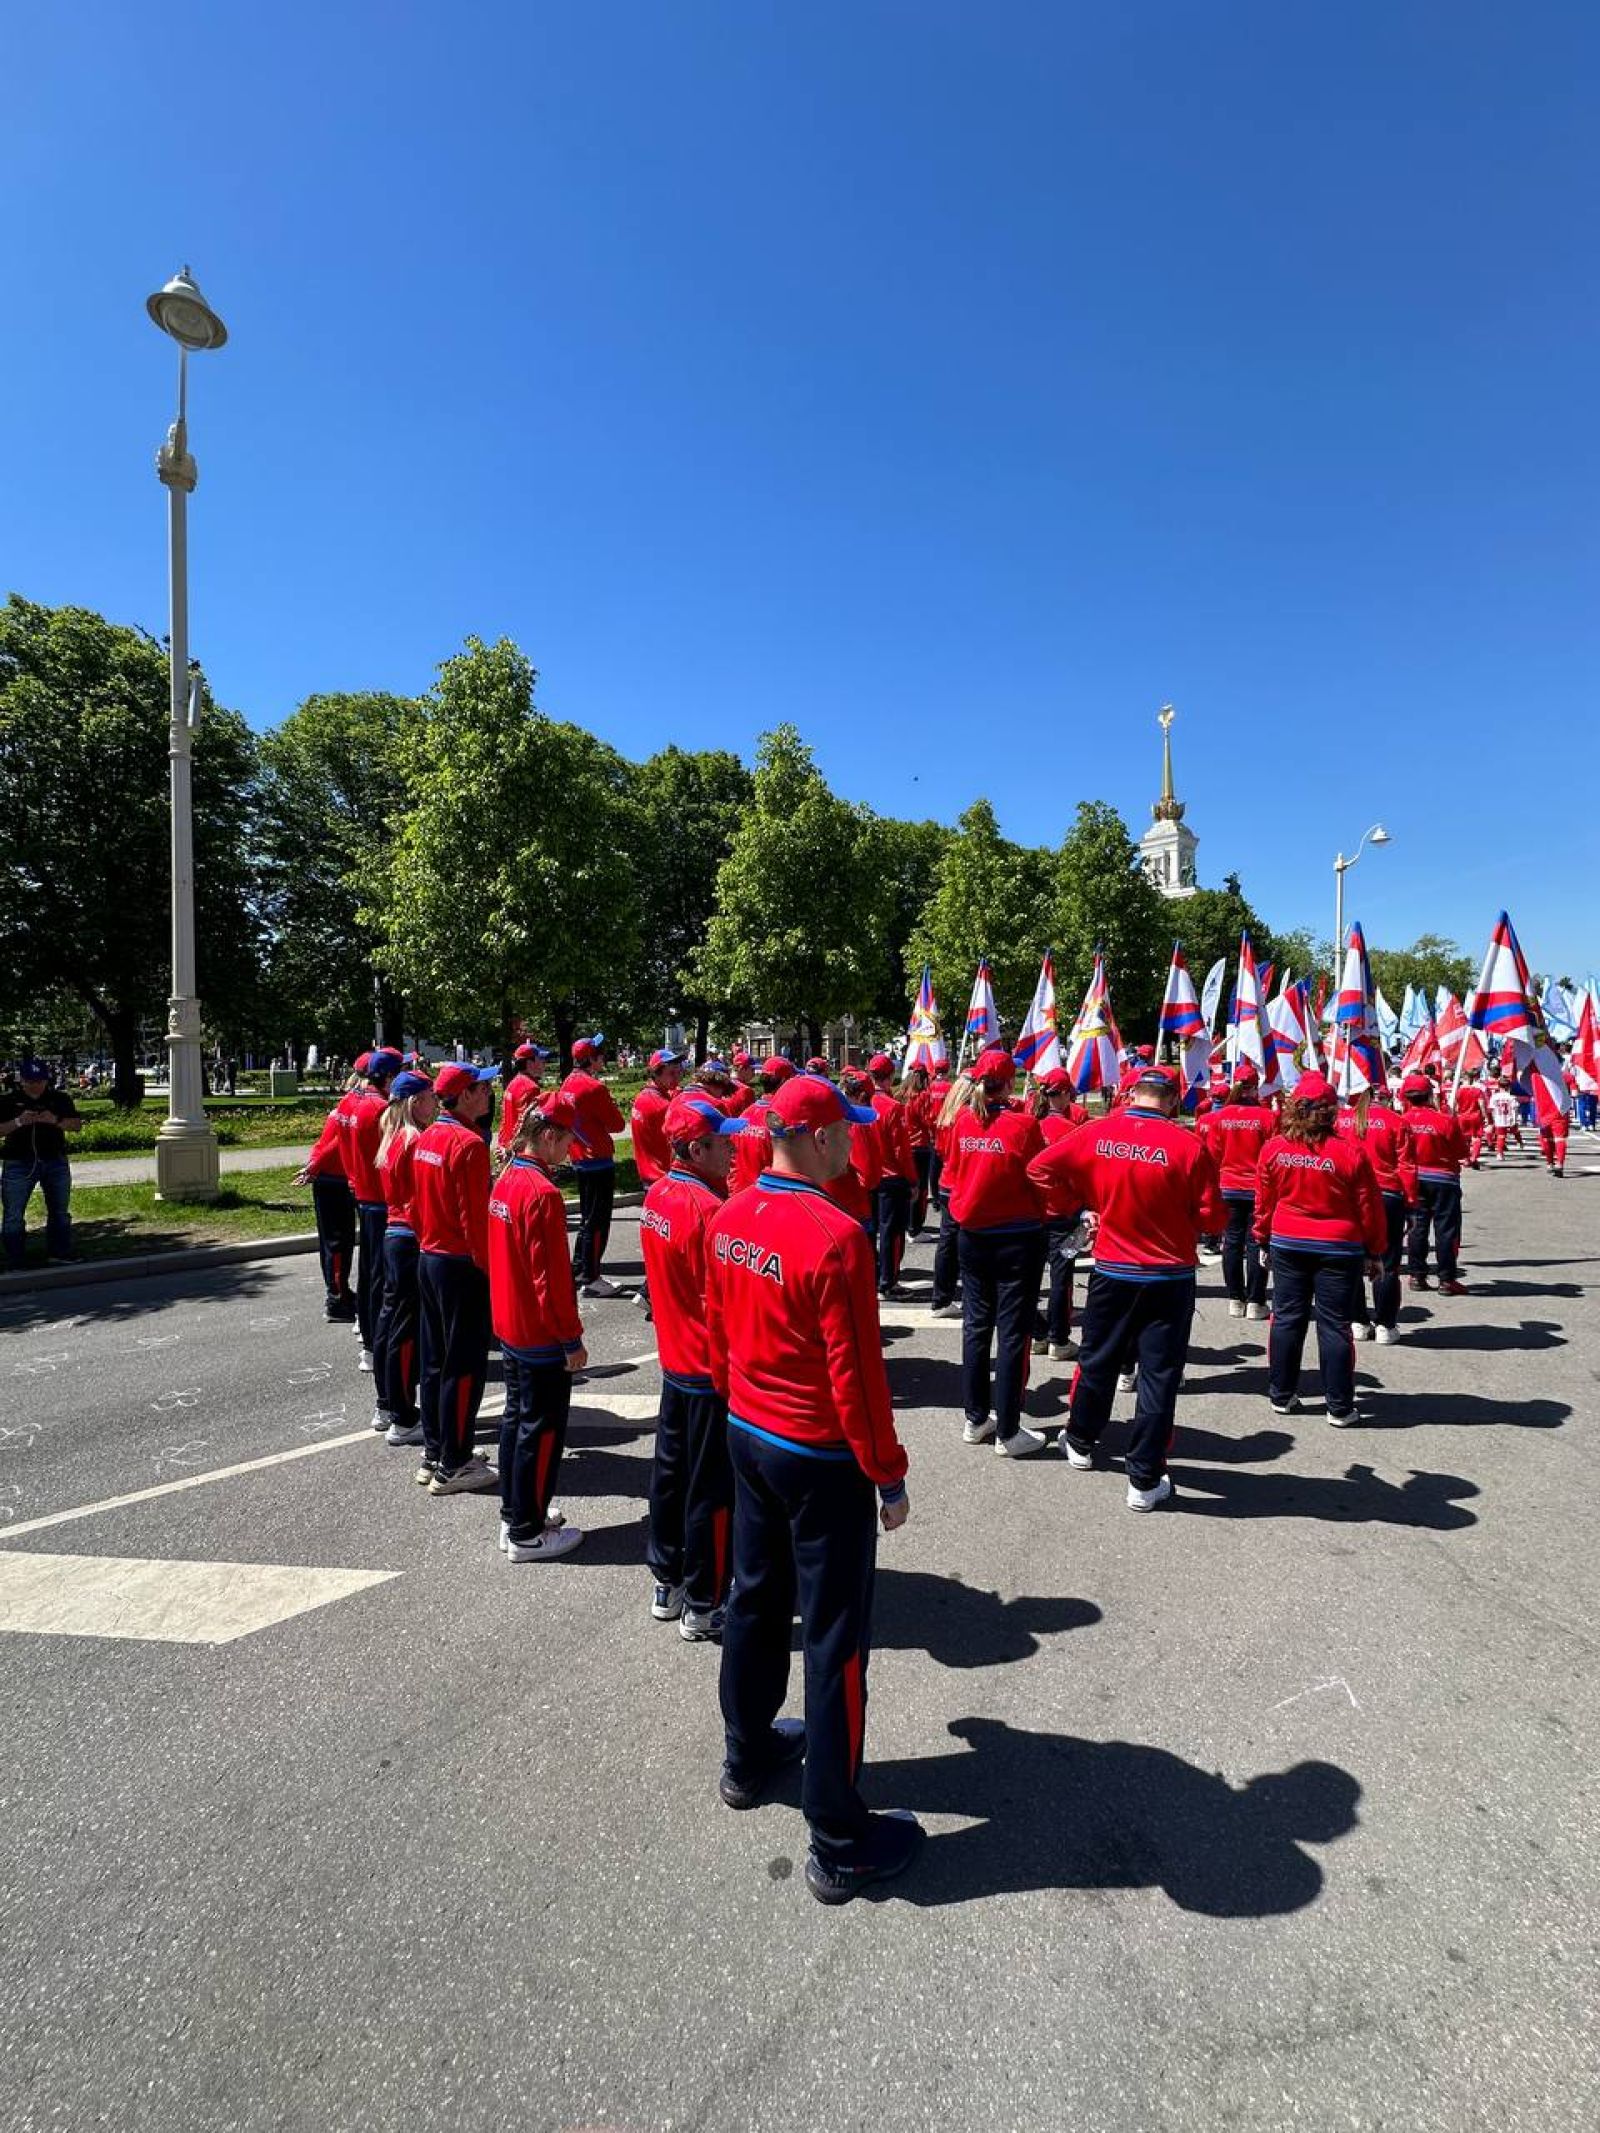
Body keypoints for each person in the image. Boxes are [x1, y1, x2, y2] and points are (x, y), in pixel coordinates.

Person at [705, 1070, 921, 1905]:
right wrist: (887, 1473)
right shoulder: (837, 1235)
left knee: (755, 1597)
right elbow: (858, 1376)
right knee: (834, 1639)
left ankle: (746, 1751)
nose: (854, 1143)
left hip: (749, 1428)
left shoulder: (729, 1214)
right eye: (848, 1131)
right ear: (822, 1137)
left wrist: (736, 1404)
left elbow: (719, 1330)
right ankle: (839, 1838)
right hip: (816, 1451)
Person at [1028, 1064, 1220, 1509]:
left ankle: (1080, 1440)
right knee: (1158, 1376)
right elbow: (1213, 1218)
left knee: (1098, 1359)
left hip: (1114, 1270)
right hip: (1168, 1277)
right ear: (1173, 1100)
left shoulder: (1098, 1132)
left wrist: (1081, 1206)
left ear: (1133, 1093)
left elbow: (1040, 1168)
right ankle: (1144, 1479)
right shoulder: (1189, 1145)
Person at [641, 1091, 746, 1639]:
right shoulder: (710, 1210)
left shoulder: (658, 1194)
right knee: (712, 1489)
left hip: (676, 1360)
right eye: (723, 1142)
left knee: (670, 1475)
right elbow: (721, 1303)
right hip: (708, 1369)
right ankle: (706, 1600)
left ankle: (669, 1580)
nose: (733, 1151)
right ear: (697, 1148)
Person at [487, 1091, 590, 1562]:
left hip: (511, 1324)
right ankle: (526, 1531)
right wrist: (571, 1339)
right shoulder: (542, 1194)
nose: (570, 1149)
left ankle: (516, 1514)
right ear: (548, 1136)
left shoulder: (508, 1177)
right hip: (538, 1332)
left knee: (517, 1424)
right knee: (542, 1432)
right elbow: (550, 1277)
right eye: (568, 1140)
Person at [1253, 1072, 1386, 1426]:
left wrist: (1262, 1238)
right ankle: (1339, 1406)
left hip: (1288, 1242)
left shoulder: (1274, 1149)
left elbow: (1263, 1202)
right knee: (1334, 1325)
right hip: (1338, 1247)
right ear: (1331, 1112)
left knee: (1286, 1318)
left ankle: (1281, 1394)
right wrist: (1375, 1251)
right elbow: (1369, 1208)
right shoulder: (1350, 1152)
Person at [944, 1048, 1048, 1457]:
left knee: (976, 1327)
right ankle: (1008, 1430)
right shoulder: (1024, 1125)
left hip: (973, 1235)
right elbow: (1039, 1179)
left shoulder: (962, 1120)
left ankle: (975, 1419)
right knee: (1012, 1333)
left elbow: (954, 1174)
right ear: (1008, 1084)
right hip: (1017, 1238)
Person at [413, 1061, 500, 1494]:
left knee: (435, 1362)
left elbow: (416, 1202)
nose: (488, 1094)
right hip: (461, 1262)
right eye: (482, 1088)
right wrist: (491, 1271)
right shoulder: (469, 1143)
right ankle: (455, 1460)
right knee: (464, 1366)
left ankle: (437, 1450)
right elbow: (475, 1221)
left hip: (430, 1256)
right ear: (464, 1095)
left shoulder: (428, 1135)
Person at [370, 1070, 438, 1448]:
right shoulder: (414, 1140)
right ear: (415, 1102)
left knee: (392, 1323)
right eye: (431, 1096)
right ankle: (404, 1415)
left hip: (395, 1236)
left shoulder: (392, 1136)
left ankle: (389, 1404)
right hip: (410, 1237)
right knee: (407, 1331)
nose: (436, 1103)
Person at [332, 1047, 402, 1371]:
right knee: (380, 1276)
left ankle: (367, 1331)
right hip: (379, 1198)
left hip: (364, 1193)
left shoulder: (356, 1103)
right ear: (389, 1076)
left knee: (369, 1270)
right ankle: (375, 1342)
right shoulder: (381, 1109)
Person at [1334, 1085, 1417, 1345]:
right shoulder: (1396, 1122)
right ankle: (1385, 1325)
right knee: (1388, 1262)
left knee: (1351, 1259)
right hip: (1387, 1194)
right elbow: (1406, 1166)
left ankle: (1358, 1321)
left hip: (1349, 1195)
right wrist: (1411, 1204)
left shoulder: (1341, 1120)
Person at [1199, 1065, 1276, 1323]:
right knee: (1256, 1242)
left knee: (1231, 1242)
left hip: (1228, 1186)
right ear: (1255, 1088)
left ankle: (1235, 1298)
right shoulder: (1267, 1118)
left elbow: (1212, 1156)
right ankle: (1255, 1300)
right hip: (1258, 1188)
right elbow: (1273, 1155)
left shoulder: (1219, 1118)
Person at [559, 1035, 629, 1297]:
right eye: (601, 1053)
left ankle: (580, 1269)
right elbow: (617, 1124)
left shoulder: (568, 1082)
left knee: (588, 1219)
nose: (604, 1057)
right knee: (597, 1222)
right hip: (597, 1159)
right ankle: (591, 1278)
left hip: (579, 1156)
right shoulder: (594, 1087)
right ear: (591, 1058)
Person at [0, 1057, 82, 1268]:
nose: (35, 1085)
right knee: (13, 1214)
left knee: (59, 1210)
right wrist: (19, 1121)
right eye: (30, 1081)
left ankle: (59, 1252)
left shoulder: (59, 1098)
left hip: (54, 1161)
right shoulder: (8, 1101)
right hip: (18, 1163)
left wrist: (55, 1120)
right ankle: (15, 1259)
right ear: (21, 1080)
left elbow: (76, 1125)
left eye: (39, 1081)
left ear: (46, 1080)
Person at [1032, 1067, 1088, 1360]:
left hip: (1033, 1215)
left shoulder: (1030, 1126)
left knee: (1028, 1278)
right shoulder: (1073, 1131)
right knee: (1062, 1279)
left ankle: (1038, 1333)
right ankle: (1058, 1339)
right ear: (1065, 1094)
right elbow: (1082, 1175)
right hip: (1067, 1216)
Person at [297, 1068, 361, 1321]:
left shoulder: (344, 1106)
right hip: (335, 1179)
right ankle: (336, 1298)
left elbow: (323, 1143)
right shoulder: (353, 1108)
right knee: (338, 1243)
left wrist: (314, 1164)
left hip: (330, 1176)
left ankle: (339, 1291)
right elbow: (336, 1144)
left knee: (336, 1242)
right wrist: (314, 1166)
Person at [1399, 1072, 1468, 1294]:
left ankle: (1416, 1276)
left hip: (1414, 1179)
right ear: (1430, 1095)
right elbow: (1461, 1152)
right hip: (1444, 1180)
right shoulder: (1445, 1120)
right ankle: (1446, 1279)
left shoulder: (1402, 1121)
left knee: (1417, 1228)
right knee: (1446, 1230)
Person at [866, 1052, 917, 1297]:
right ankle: (888, 1282)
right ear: (890, 1076)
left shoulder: (861, 1103)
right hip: (891, 1177)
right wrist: (913, 1180)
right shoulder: (893, 1107)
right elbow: (901, 1150)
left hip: (868, 1176)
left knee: (871, 1231)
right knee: (892, 1233)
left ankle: (874, 1275)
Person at [727, 1056, 796, 1194]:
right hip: (767, 1197)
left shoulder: (745, 1115)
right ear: (784, 1081)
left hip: (738, 1195)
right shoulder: (782, 1120)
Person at [629, 1048, 687, 1189]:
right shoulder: (662, 1106)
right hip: (662, 1176)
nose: (677, 1077)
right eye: (671, 1073)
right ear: (656, 1074)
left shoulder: (643, 1097)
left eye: (679, 1072)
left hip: (648, 1173)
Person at [496, 1041, 552, 1157]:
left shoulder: (513, 1083)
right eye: (540, 1059)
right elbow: (528, 1124)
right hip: (520, 1148)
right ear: (530, 1063)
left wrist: (502, 1145)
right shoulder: (531, 1088)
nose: (544, 1063)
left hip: (507, 1143)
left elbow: (505, 1118)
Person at [901, 1066, 936, 1237]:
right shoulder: (922, 1097)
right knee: (920, 1189)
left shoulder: (901, 1095)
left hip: (905, 1145)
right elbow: (928, 1120)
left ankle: (907, 1224)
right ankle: (915, 1228)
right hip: (920, 1146)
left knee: (908, 1187)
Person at [1453, 1072, 1487, 1170]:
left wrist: (1455, 1115)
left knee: (1465, 1139)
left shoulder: (1458, 1092)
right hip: (1475, 1116)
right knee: (1476, 1137)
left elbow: (1456, 1107)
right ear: (1472, 1080)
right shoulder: (1477, 1091)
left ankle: (1467, 1159)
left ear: (1463, 1079)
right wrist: (1485, 1116)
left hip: (1462, 1117)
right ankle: (1474, 1157)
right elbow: (1481, 1104)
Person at [1486, 1076, 1523, 1159]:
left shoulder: (1494, 1097)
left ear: (1499, 1086)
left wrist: (1491, 1119)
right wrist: (1515, 1119)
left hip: (1499, 1119)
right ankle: (1520, 1142)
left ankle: (1500, 1153)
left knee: (1501, 1136)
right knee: (1515, 1131)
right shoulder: (1512, 1097)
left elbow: (1490, 1109)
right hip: (1510, 1118)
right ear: (1509, 1087)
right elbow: (1515, 1109)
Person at [726, 1052, 760, 1116]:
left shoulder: (724, 1085)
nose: (754, 1073)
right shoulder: (746, 1091)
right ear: (742, 1069)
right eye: (752, 1069)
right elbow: (750, 1116)